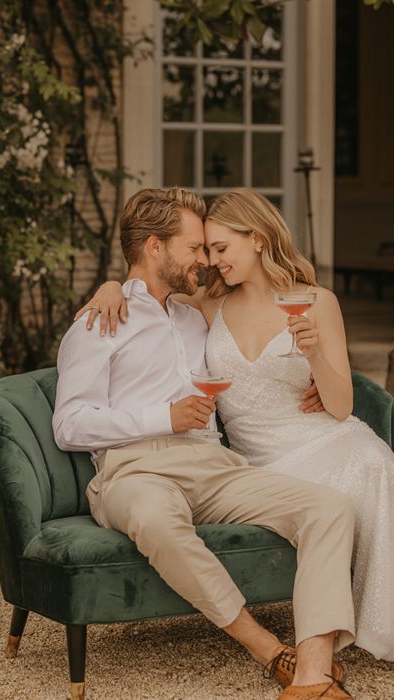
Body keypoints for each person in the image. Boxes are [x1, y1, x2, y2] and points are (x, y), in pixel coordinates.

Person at [54, 186, 356, 700]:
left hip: (213, 465)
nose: (204, 260)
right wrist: (164, 417)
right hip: (135, 472)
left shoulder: (195, 316)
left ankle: (312, 672)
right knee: (154, 519)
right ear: (155, 247)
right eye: (194, 248)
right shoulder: (100, 322)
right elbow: (70, 424)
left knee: (329, 508)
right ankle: (266, 648)